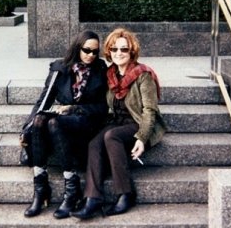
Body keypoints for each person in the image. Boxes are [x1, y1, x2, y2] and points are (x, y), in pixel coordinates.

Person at [70, 27, 167, 219]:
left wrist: (141, 138)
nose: (119, 53)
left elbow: (150, 111)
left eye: (124, 49)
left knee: (111, 136)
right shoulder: (110, 74)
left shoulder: (143, 75)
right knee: (94, 143)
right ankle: (93, 198)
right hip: (117, 121)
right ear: (109, 52)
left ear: (132, 52)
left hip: (138, 123)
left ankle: (125, 194)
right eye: (114, 49)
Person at [23, 30, 108, 219]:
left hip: (87, 123)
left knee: (54, 123)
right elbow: (43, 101)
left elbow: (103, 107)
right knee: (41, 120)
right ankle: (40, 188)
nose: (91, 55)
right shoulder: (60, 68)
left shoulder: (100, 70)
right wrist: (27, 127)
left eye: (95, 52)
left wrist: (74, 108)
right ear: (77, 48)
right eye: (87, 50)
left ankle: (71, 190)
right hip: (62, 123)